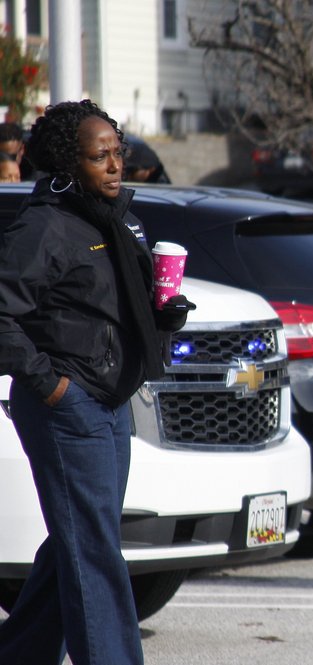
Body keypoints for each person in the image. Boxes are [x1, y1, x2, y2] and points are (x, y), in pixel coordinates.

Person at [0, 100, 192, 664]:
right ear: (67, 163)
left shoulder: (119, 218)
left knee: (78, 544)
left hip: (112, 403)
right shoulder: (45, 225)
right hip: (68, 405)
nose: (114, 166)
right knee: (95, 550)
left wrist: (164, 313)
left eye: (118, 152)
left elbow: (112, 309)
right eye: (98, 156)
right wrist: (49, 384)